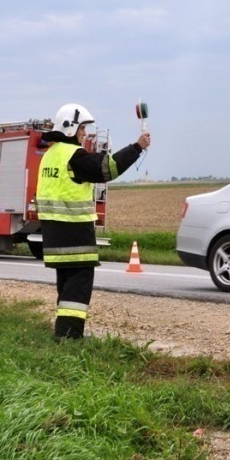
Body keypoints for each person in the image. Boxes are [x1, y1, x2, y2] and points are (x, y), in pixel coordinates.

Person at [36, 103, 151, 339]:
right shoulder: (74, 156)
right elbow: (107, 169)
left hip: (53, 233)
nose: (85, 134)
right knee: (78, 285)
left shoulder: (50, 155)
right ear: (70, 128)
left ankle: (63, 331)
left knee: (68, 284)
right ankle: (68, 337)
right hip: (74, 234)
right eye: (82, 129)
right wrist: (137, 147)